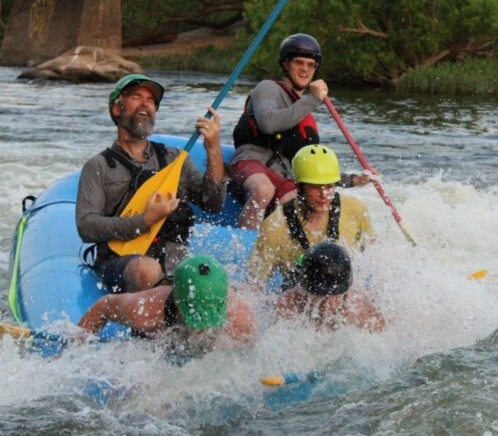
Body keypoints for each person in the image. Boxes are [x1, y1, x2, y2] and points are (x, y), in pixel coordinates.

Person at [76, 73, 227, 293]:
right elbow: (86, 227)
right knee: (147, 270)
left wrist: (213, 148)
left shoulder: (173, 158)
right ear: (117, 109)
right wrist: (145, 220)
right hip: (120, 259)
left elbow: (212, 203)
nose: (146, 104)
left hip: (173, 255)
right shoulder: (98, 166)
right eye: (137, 96)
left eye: (151, 100)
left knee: (210, 280)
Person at [229, 33, 369, 228]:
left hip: (283, 176)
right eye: (299, 63)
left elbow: (313, 168)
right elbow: (268, 123)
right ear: (286, 64)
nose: (305, 69)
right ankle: (243, 248)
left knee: (299, 204)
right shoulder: (268, 89)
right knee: (263, 189)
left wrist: (354, 179)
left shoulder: (305, 115)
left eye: (310, 65)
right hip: (251, 165)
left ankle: (296, 252)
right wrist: (312, 99)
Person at [247, 143, 374, 289]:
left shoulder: (356, 210)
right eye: (315, 187)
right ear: (299, 187)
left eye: (329, 186)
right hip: (298, 296)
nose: (324, 194)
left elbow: (372, 258)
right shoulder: (275, 226)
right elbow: (254, 284)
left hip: (343, 295)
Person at [78, 254, 255, 343]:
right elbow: (104, 305)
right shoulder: (146, 311)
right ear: (178, 303)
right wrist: (76, 344)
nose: (201, 327)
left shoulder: (239, 319)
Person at [276, 242, 384, 332]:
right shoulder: (289, 303)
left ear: (344, 292)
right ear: (305, 290)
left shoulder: (359, 308)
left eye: (332, 295)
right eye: (319, 295)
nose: (325, 303)